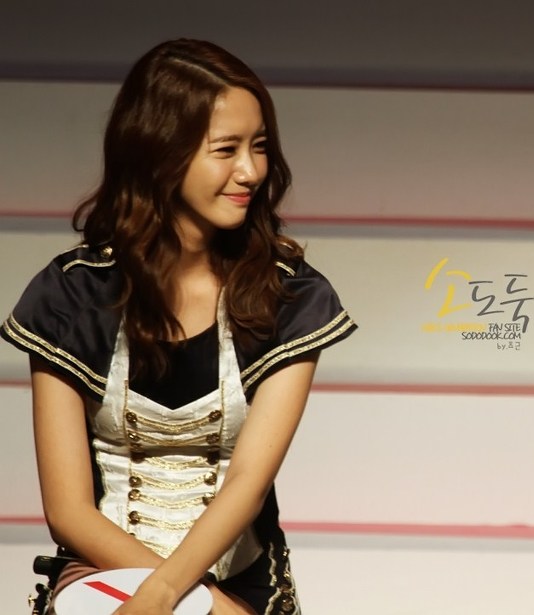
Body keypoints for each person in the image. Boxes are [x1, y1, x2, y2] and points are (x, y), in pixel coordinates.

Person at [1, 39, 356, 613]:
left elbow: (248, 482)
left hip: (240, 581)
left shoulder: (291, 296)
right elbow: (68, 511)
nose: (250, 171)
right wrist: (171, 597)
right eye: (226, 150)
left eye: (259, 147)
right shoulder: (70, 295)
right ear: (161, 153)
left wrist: (188, 598)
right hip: (103, 569)